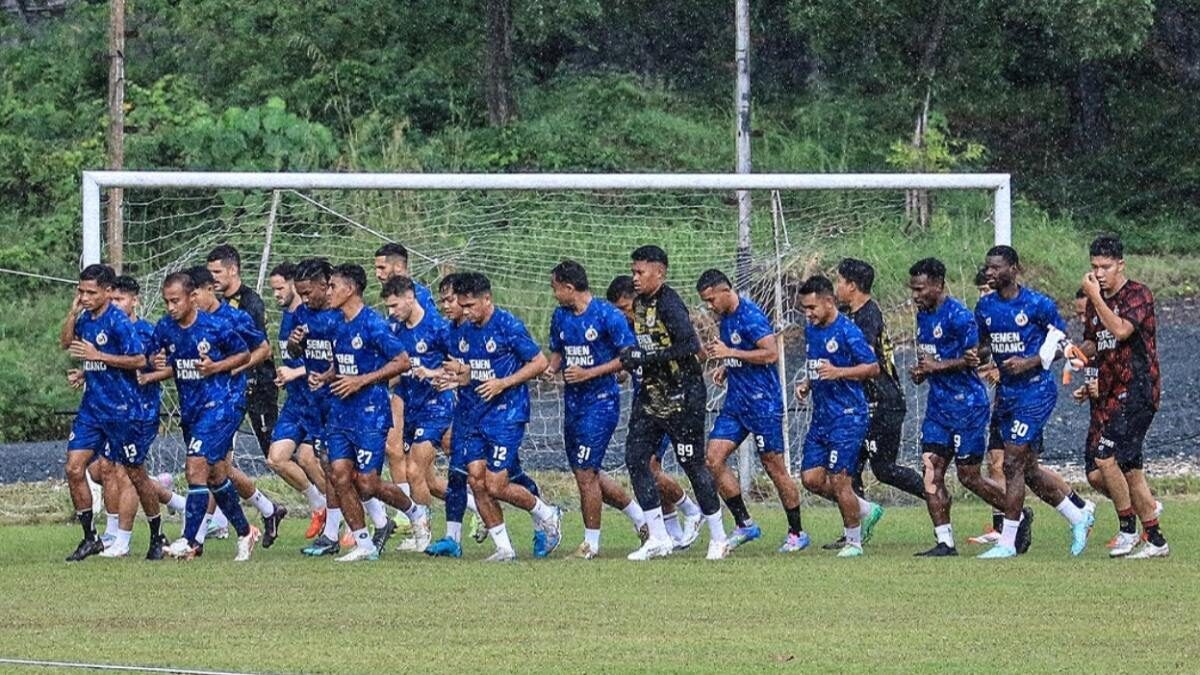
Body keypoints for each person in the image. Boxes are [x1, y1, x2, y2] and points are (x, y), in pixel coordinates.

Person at [975, 245, 1093, 559]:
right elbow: (985, 346)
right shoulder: (985, 307)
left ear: (1014, 269)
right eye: (987, 268)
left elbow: (1066, 348)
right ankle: (1078, 515)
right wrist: (979, 356)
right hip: (1007, 395)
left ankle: (1007, 541)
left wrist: (1028, 362)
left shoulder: (1038, 305)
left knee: (1011, 463)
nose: (990, 273)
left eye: (996, 267)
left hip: (1036, 392)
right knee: (1027, 468)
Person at [437, 272, 560, 561]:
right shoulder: (461, 330)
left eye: (470, 306)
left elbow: (539, 362)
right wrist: (457, 379)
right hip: (474, 414)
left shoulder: (507, 325)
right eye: (461, 305)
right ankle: (504, 548)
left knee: (495, 484)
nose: (465, 312)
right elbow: (471, 370)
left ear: (487, 300)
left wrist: (504, 383)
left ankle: (547, 513)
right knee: (476, 480)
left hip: (507, 413)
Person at [621, 246, 727, 561]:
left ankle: (719, 537)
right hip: (652, 396)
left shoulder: (670, 303)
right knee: (636, 458)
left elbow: (689, 346)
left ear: (660, 273)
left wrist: (646, 356)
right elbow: (647, 346)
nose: (635, 278)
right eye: (633, 272)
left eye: (640, 272)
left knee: (692, 464)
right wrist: (632, 359)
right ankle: (658, 538)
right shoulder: (639, 304)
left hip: (684, 395)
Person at [145, 272, 259, 561]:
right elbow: (152, 355)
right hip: (192, 408)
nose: (170, 307)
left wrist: (216, 366)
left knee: (195, 467)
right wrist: (154, 361)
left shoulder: (215, 326)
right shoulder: (165, 328)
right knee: (216, 475)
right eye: (166, 302)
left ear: (192, 297)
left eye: (175, 301)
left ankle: (189, 540)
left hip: (222, 405)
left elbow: (244, 354)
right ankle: (246, 532)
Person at [320, 263, 428, 562]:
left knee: (367, 482)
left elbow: (402, 361)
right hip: (341, 411)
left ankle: (414, 511)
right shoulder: (335, 323)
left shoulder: (373, 324)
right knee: (339, 475)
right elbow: (344, 363)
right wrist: (329, 375)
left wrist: (360, 381)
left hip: (370, 412)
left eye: (333, 287)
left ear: (350, 289)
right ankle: (364, 543)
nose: (328, 293)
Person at [696, 269, 808, 553]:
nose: (709, 306)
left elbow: (770, 353)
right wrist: (726, 366)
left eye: (711, 300)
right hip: (736, 403)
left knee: (774, 467)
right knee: (713, 459)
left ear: (725, 290)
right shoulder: (725, 317)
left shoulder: (751, 316)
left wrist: (731, 355)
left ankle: (797, 532)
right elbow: (738, 350)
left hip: (763, 403)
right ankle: (745, 523)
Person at [908, 258, 1012, 557]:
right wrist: (922, 371)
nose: (916, 295)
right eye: (913, 289)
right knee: (931, 467)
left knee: (969, 476)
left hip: (967, 405)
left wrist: (935, 367)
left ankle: (1015, 511)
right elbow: (931, 359)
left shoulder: (959, 316)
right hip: (938, 408)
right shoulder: (923, 316)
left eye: (920, 288)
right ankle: (945, 542)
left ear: (939, 284)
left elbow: (973, 359)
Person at [546, 260, 647, 559]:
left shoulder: (608, 316)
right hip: (573, 405)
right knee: (585, 471)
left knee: (586, 472)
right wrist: (551, 369)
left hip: (601, 403)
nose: (553, 295)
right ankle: (640, 518)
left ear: (569, 287)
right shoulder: (560, 316)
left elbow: (628, 357)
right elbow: (557, 352)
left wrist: (590, 373)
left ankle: (591, 544)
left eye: (555, 289)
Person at [1079, 234, 1168, 559]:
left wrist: (1094, 295)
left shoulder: (1137, 295)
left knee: (1106, 457)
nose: (1099, 274)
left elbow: (1119, 330)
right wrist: (1076, 354)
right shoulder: (1094, 301)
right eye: (1094, 268)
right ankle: (1154, 536)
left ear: (1120, 265)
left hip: (1140, 390)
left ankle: (1129, 529)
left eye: (1105, 267)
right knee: (1126, 466)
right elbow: (1095, 341)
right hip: (1110, 393)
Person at [59, 264, 155, 561]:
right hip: (92, 410)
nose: (85, 297)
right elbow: (66, 343)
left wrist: (98, 356)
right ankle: (91, 537)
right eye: (81, 291)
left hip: (122, 409)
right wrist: (73, 313)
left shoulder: (119, 322)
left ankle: (156, 532)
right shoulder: (85, 319)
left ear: (107, 291)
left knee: (133, 473)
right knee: (75, 468)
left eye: (91, 292)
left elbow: (139, 358)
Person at [831, 258, 924, 549]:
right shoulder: (851, 316)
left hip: (884, 401)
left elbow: (865, 359)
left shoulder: (869, 315)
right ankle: (853, 531)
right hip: (863, 402)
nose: (836, 288)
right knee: (848, 469)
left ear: (852, 286)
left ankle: (935, 496)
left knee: (883, 469)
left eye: (838, 282)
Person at [606, 275, 702, 549]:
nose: (625, 314)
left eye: (626, 307)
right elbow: (628, 367)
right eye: (620, 310)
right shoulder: (628, 329)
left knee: (650, 467)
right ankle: (669, 533)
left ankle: (691, 510)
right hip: (645, 402)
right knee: (646, 466)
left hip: (672, 401)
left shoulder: (658, 319)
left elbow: (694, 350)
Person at [793, 275, 881, 558]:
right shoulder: (812, 330)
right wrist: (807, 383)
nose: (808, 313)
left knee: (839, 478)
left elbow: (872, 367)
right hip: (822, 415)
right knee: (810, 479)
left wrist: (839, 372)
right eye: (804, 308)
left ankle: (853, 542)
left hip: (848, 415)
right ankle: (864, 508)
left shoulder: (848, 331)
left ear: (829, 302)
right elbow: (817, 364)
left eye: (811, 307)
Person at [382, 274, 458, 553]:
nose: (391, 312)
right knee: (426, 480)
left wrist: (434, 372)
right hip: (410, 405)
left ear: (410, 297)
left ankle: (422, 534)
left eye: (394, 306)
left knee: (413, 469)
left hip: (436, 406)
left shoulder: (437, 328)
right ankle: (473, 504)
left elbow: (461, 366)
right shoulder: (394, 328)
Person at [290, 258, 349, 557]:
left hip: (344, 401)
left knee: (348, 470)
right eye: (300, 293)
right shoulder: (302, 313)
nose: (304, 299)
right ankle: (335, 532)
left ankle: (385, 520)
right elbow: (294, 351)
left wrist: (331, 375)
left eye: (308, 292)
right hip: (317, 402)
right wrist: (295, 343)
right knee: (328, 465)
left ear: (326, 286)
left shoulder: (343, 315)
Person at [266, 262, 329, 539]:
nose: (276, 294)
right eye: (274, 289)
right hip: (295, 402)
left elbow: (326, 358)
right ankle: (319, 505)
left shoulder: (313, 316)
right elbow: (293, 355)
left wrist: (296, 371)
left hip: (316, 400)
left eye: (280, 288)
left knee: (311, 458)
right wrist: (285, 375)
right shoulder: (288, 318)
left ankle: (346, 517)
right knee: (276, 459)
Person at [207, 244, 278, 457]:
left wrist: (234, 368)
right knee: (218, 454)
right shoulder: (216, 302)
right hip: (228, 387)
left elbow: (263, 350)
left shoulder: (250, 301)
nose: (213, 278)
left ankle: (315, 489)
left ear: (233, 270)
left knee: (273, 452)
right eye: (210, 273)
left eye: (217, 272)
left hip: (258, 385)